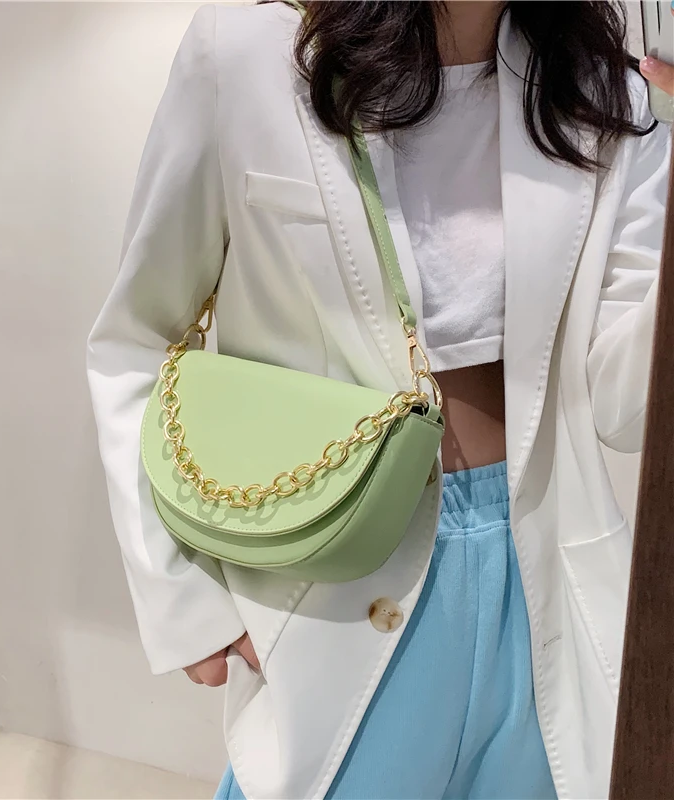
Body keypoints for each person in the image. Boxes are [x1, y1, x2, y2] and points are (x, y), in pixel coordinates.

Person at [87, 2, 673, 798]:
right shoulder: (249, 53)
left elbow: (626, 409)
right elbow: (136, 341)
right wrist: (184, 601)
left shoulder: (606, 92)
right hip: (337, 566)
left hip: (544, 576)